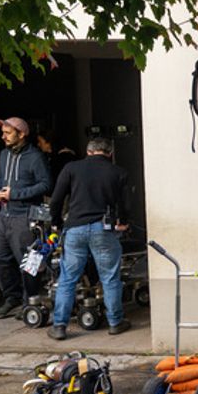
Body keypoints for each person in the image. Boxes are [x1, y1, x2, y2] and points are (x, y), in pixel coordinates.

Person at [46, 137, 131, 340]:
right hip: (103, 228)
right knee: (110, 277)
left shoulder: (71, 168)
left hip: (74, 228)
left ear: (88, 151)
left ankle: (59, 326)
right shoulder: (118, 172)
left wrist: (56, 222)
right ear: (109, 153)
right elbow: (126, 204)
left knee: (68, 279)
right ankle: (115, 323)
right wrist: (124, 221)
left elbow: (56, 199)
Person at [0, 117, 52, 319]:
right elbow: (1, 180)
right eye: (3, 132)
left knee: (28, 262)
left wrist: (15, 194)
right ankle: (12, 297)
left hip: (25, 215)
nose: (3, 136)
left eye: (8, 132)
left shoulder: (35, 157)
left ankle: (29, 301)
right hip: (4, 214)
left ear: (21, 134)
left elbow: (46, 185)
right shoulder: (5, 155)